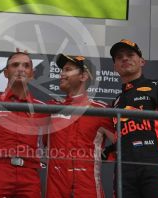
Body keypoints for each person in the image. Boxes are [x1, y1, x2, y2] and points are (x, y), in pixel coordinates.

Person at [109, 39, 158, 197]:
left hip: (155, 166)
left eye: (130, 55)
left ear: (142, 61)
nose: (125, 59)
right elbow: (121, 138)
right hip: (123, 172)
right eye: (119, 57)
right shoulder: (116, 101)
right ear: (115, 66)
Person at [0, 51, 48, 198]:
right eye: (15, 65)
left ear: (32, 74)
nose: (21, 69)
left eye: (26, 66)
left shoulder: (43, 109)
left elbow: (44, 147)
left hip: (30, 176)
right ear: (6, 72)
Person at [46, 54, 115, 198]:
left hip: (87, 188)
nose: (62, 74)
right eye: (62, 70)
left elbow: (122, 143)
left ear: (83, 76)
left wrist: (104, 154)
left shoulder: (100, 111)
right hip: (55, 189)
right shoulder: (50, 108)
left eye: (68, 70)